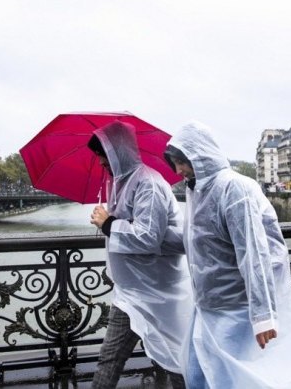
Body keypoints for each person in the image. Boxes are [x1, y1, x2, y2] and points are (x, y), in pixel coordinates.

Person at [164, 121, 291, 388]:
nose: (178, 170)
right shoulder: (196, 189)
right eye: (175, 163)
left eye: (181, 161)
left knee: (229, 379)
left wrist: (263, 315)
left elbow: (254, 253)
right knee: (201, 376)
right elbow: (193, 241)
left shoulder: (234, 188)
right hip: (209, 305)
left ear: (198, 155)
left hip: (236, 309)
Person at [88, 120, 192, 389]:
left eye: (103, 156)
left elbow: (147, 237)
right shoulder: (120, 183)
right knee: (110, 360)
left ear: (117, 153)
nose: (101, 163)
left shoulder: (149, 184)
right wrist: (108, 222)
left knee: (174, 361)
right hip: (132, 292)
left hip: (158, 293)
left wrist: (108, 223)